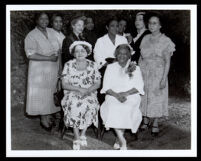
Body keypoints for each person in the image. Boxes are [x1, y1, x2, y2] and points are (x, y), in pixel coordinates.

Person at [100, 44, 144, 150]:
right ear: (116, 54)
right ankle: (122, 140)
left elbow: (139, 87)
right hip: (112, 95)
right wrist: (117, 95)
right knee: (113, 107)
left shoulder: (135, 68)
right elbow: (106, 87)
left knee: (126, 108)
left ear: (129, 55)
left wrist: (125, 94)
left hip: (130, 95)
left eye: (125, 53)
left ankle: (117, 139)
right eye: (119, 53)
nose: (122, 56)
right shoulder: (110, 68)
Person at [139, 13, 176, 136]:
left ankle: (155, 122)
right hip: (144, 72)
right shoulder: (145, 38)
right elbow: (141, 58)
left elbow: (167, 61)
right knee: (144, 96)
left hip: (158, 73)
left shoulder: (166, 41)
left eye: (154, 23)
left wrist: (164, 78)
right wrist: (138, 73)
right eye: (150, 23)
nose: (151, 25)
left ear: (160, 25)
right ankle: (145, 119)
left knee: (156, 98)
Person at [61, 41, 101, 150]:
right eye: (77, 51)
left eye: (82, 50)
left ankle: (83, 133)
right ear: (73, 53)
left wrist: (87, 90)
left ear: (87, 52)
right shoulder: (68, 64)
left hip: (89, 91)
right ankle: (76, 136)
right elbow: (64, 84)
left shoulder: (93, 65)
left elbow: (97, 83)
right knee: (74, 105)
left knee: (91, 104)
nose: (80, 53)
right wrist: (78, 89)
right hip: (72, 91)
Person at [24, 12, 61, 131]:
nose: (44, 21)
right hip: (39, 69)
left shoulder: (52, 32)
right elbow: (30, 54)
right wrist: (49, 58)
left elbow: (59, 50)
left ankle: (49, 114)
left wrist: (60, 67)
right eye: (41, 19)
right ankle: (44, 119)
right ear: (36, 20)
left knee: (51, 93)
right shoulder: (31, 35)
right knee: (41, 94)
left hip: (53, 68)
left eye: (46, 19)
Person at [49, 13, 66, 133]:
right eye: (56, 21)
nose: (58, 24)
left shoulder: (62, 35)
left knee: (60, 92)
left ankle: (61, 120)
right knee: (53, 92)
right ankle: (53, 120)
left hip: (61, 64)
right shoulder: (49, 33)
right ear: (52, 23)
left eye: (60, 21)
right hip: (52, 65)